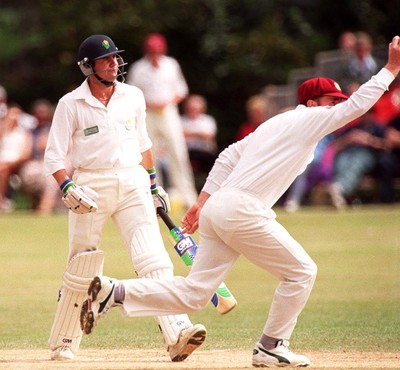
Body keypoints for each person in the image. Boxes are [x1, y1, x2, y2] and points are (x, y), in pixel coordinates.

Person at [80, 36, 400, 368]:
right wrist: (391, 68)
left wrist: (201, 203)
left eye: (337, 101)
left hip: (221, 209)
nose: (335, 107)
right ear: (312, 103)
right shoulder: (307, 119)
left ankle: (114, 292)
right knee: (301, 272)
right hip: (242, 210)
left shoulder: (275, 125)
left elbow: (229, 155)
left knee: (195, 292)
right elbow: (356, 106)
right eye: (330, 101)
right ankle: (271, 346)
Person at [44, 34, 206, 362]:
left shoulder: (132, 95)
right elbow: (53, 157)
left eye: (116, 58)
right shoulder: (70, 104)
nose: (115, 63)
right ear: (88, 67)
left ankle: (177, 332)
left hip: (133, 181)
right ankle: (64, 340)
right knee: (82, 263)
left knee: (153, 258)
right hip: (91, 184)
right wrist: (67, 187)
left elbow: (145, 144)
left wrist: (153, 183)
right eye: (107, 60)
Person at [126, 33, 198, 208]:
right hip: (147, 113)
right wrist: (149, 104)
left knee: (178, 153)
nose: (154, 54)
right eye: (152, 51)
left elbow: (181, 90)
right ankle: (153, 197)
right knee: (149, 155)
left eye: (157, 51)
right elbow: (131, 93)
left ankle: (189, 199)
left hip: (168, 112)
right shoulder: (138, 68)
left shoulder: (171, 65)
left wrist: (166, 102)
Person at [328, 110, 389, 209]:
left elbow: (387, 146)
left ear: (372, 114)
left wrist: (368, 140)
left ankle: (340, 190)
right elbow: (334, 146)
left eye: (368, 113)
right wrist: (349, 139)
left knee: (356, 163)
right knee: (341, 162)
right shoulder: (352, 128)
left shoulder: (378, 128)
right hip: (348, 153)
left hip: (367, 154)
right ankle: (340, 193)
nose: (365, 116)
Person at [181, 94, 218, 192]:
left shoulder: (207, 120)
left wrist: (189, 133)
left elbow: (209, 136)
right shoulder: (181, 120)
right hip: (187, 152)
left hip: (204, 152)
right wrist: (198, 133)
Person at [0, 103, 33, 211]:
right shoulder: (3, 131)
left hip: (17, 164)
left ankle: (2, 200)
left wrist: (11, 164)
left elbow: (26, 154)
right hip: (3, 162)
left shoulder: (24, 133)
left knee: (3, 169)